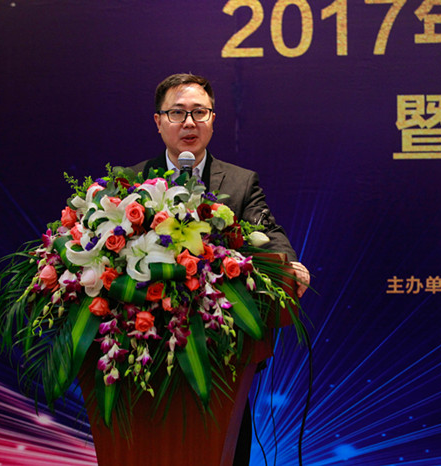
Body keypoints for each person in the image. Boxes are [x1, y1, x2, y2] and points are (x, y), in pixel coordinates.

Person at [131, 73, 309, 465]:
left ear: (213, 119)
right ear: (158, 121)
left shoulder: (241, 183)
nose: (189, 122)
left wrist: (290, 264)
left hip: (221, 351)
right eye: (177, 113)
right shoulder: (131, 182)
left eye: (200, 112)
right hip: (145, 348)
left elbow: (268, 233)